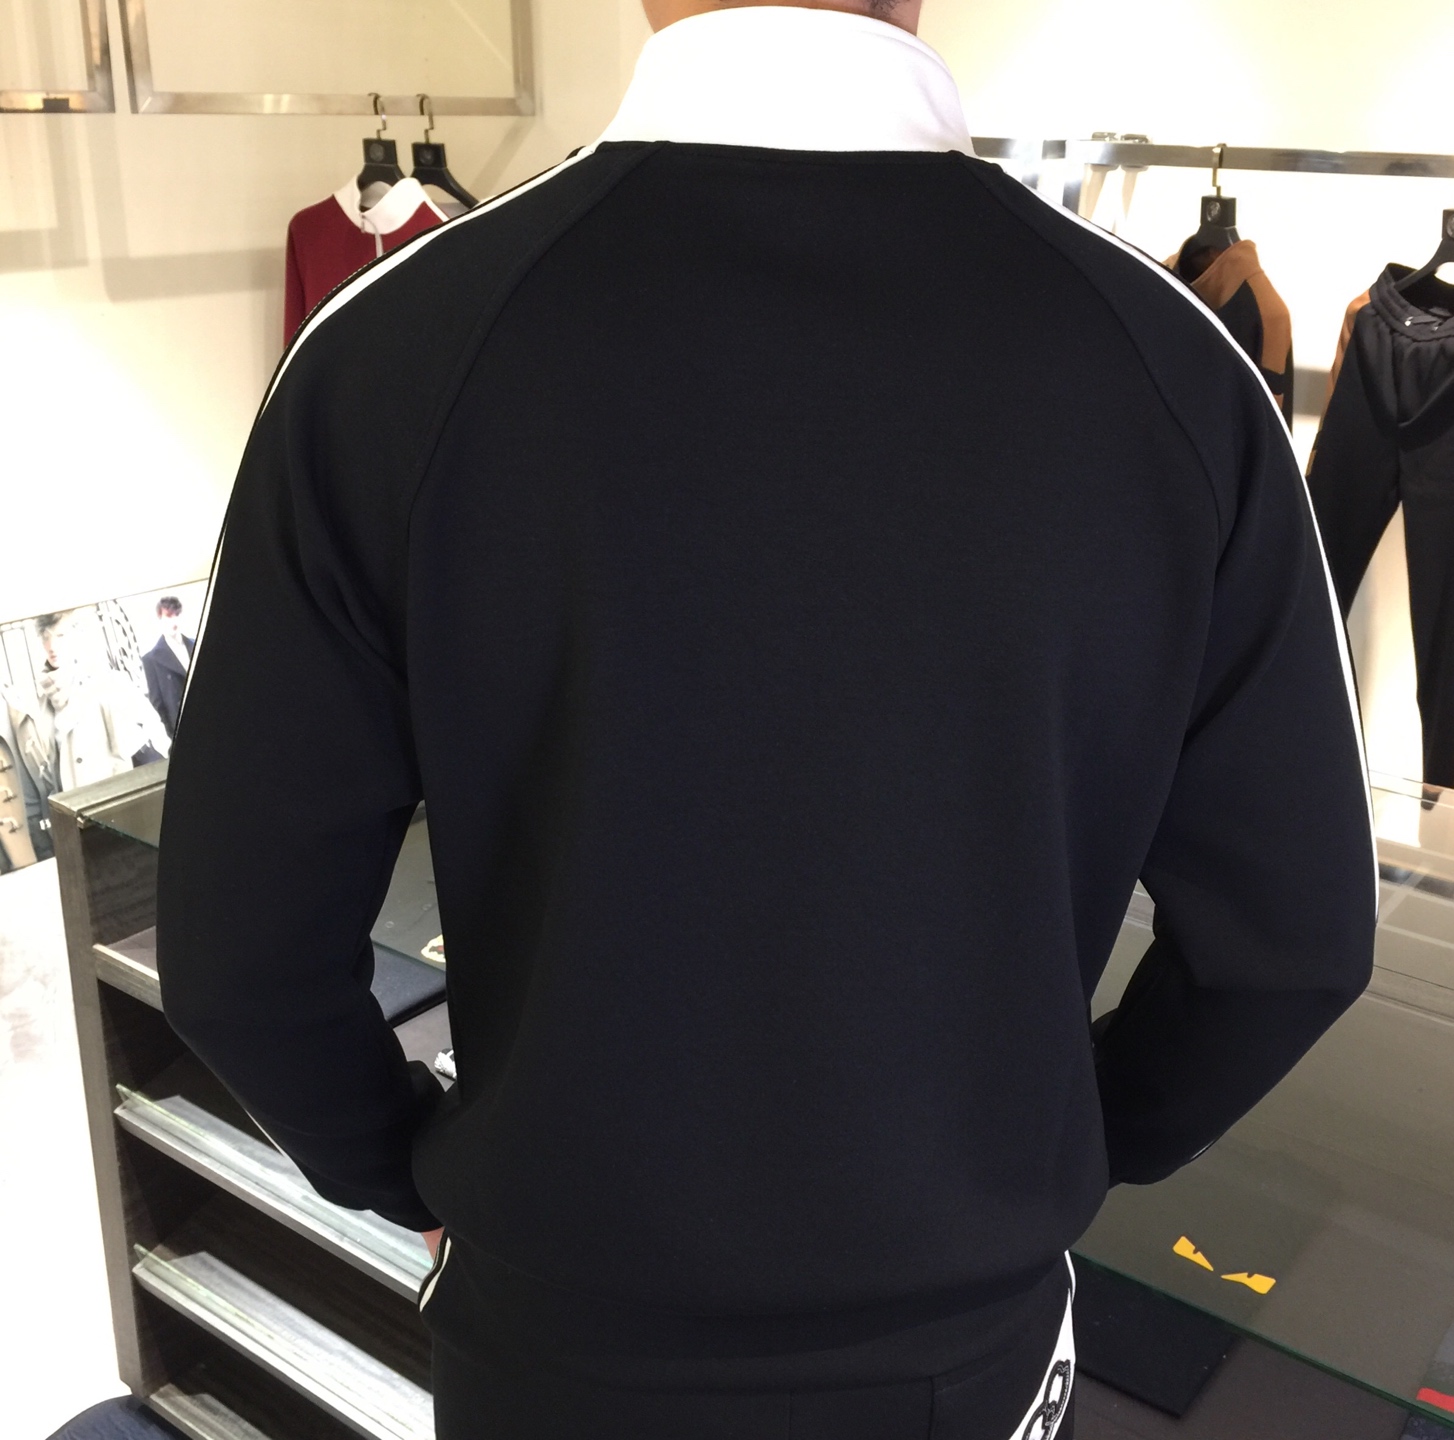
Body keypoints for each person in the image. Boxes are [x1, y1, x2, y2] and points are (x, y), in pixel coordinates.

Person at [156, 1, 1377, 1436]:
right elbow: (1293, 939)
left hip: (554, 1342)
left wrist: (407, 1163)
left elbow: (241, 959)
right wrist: (1058, 1143)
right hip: (957, 1347)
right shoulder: (1176, 373)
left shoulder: (389, 351)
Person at [5, 610, 169, 851]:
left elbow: (155, 749)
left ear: (77, 635)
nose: (52, 646)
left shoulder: (110, 685)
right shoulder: (37, 706)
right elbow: (39, 786)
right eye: (46, 637)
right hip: (71, 835)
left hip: (118, 826)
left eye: (60, 635)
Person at [141, 595, 194, 738]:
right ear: (160, 619)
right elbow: (158, 705)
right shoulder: (151, 660)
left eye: (177, 615)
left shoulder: (196, 645)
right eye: (169, 616)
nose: (174, 621)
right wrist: (173, 736)